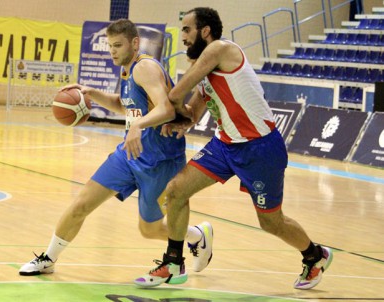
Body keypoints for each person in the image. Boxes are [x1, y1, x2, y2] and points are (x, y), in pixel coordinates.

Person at [136, 7, 333, 290]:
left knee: (271, 222)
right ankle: (173, 263)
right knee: (177, 190)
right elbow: (193, 111)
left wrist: (167, 113)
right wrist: (182, 122)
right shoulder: (204, 71)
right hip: (225, 145)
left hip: (260, 148)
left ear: (205, 31)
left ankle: (315, 256)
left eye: (188, 31)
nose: (184, 39)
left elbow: (177, 95)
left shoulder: (220, 49)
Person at [18, 19, 214, 282]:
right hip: (129, 155)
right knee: (81, 204)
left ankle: (196, 236)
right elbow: (125, 106)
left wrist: (138, 127)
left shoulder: (144, 67)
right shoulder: (127, 69)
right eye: (110, 46)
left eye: (118, 45)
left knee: (148, 229)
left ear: (135, 43)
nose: (112, 51)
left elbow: (166, 109)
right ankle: (48, 258)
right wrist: (90, 92)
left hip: (160, 161)